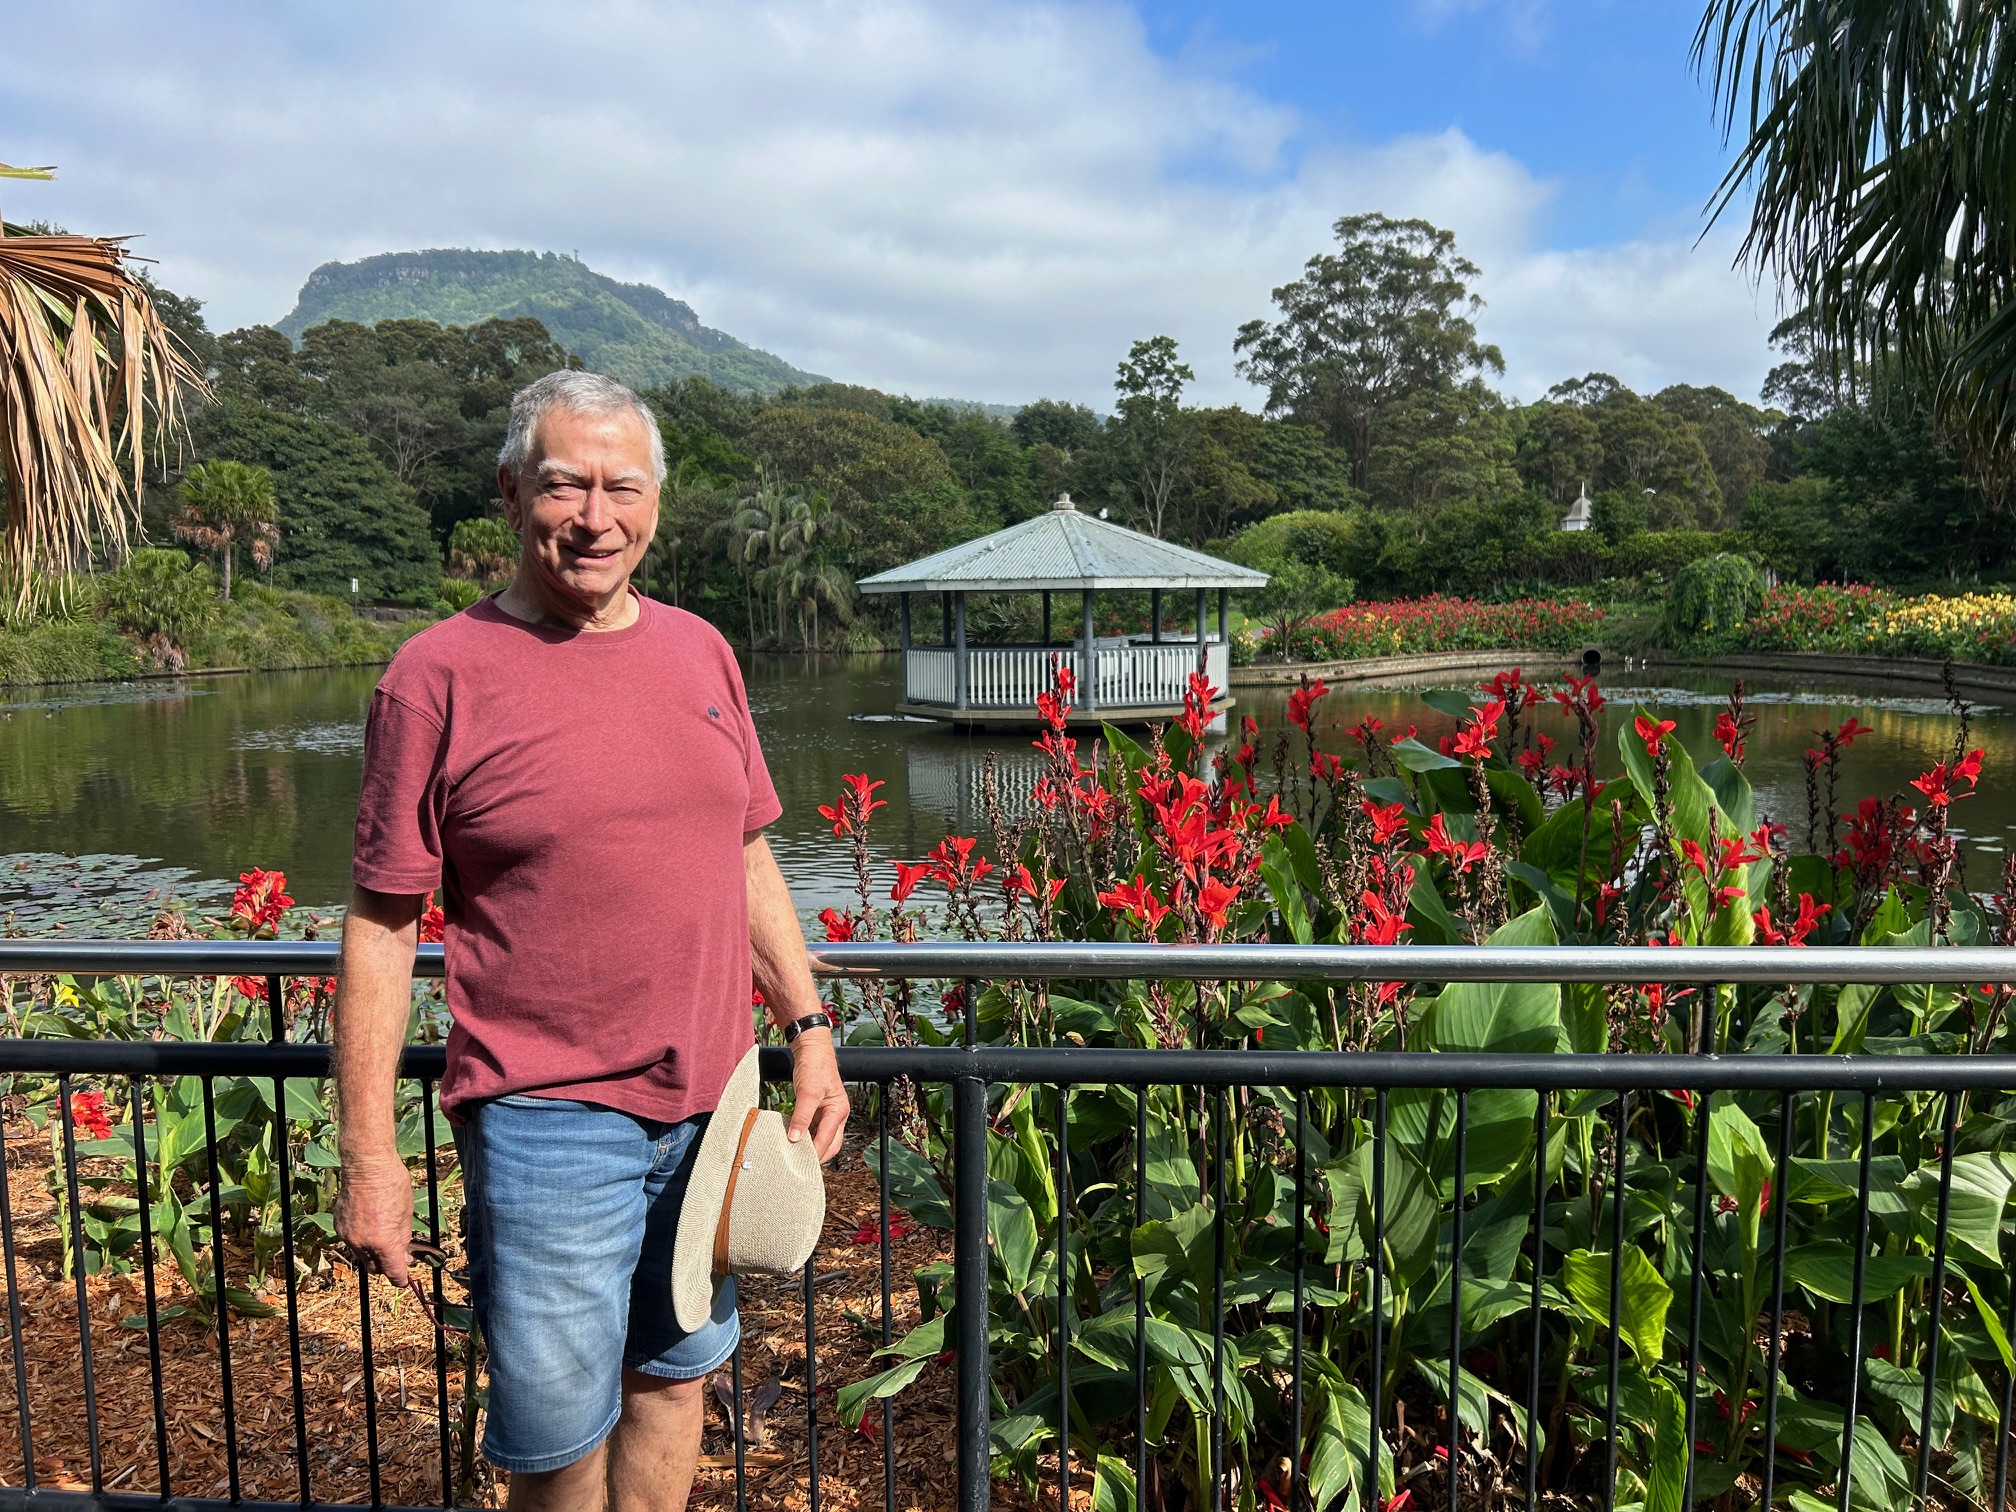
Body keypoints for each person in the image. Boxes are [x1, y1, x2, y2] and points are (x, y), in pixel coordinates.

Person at [333, 369, 848, 1512]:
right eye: (567, 486)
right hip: (547, 1120)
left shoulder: (701, 652)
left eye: (624, 488)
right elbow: (380, 926)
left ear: (658, 503)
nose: (596, 518)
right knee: (557, 1440)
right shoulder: (435, 677)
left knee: (674, 1383)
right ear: (513, 492)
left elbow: (747, 853)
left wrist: (808, 1029)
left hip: (714, 1106)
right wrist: (370, 1161)